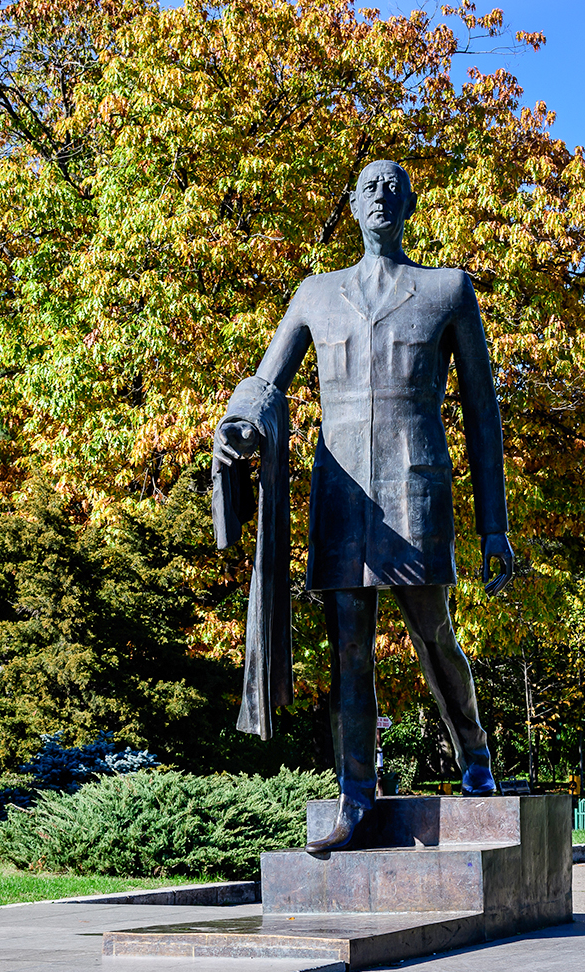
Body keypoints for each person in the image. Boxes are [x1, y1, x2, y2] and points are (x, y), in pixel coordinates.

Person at [213, 160, 515, 853]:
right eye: (369, 186)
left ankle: (474, 756)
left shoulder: (446, 290)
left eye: (393, 186)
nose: (381, 194)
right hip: (342, 495)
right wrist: (241, 426)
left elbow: (482, 414)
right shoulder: (316, 294)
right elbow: (266, 383)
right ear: (352, 206)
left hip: (415, 490)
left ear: (409, 205)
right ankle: (355, 793)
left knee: (433, 632)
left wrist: (493, 526)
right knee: (348, 649)